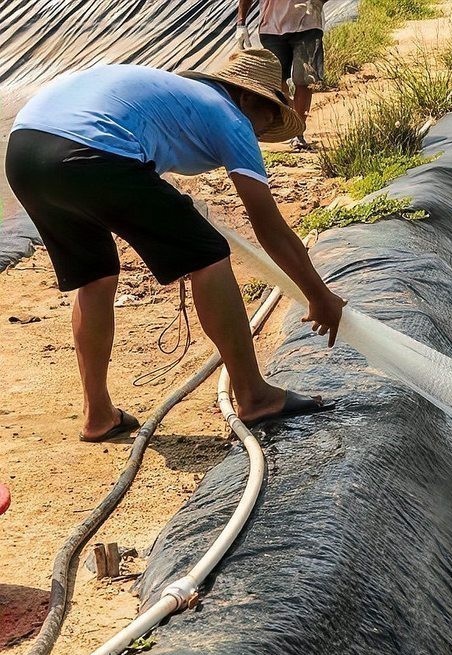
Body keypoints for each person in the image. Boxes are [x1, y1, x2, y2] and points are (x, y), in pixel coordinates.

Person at [4, 49, 346, 443]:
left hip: (25, 152)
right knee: (209, 255)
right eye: (266, 120)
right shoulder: (230, 116)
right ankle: (254, 396)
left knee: (96, 276)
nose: (258, 136)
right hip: (93, 152)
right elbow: (270, 229)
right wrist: (318, 296)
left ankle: (98, 415)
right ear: (247, 98)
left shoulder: (179, 96)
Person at [237, 0, 324, 149]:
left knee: (303, 79)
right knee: (276, 80)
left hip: (308, 25)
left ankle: (298, 132)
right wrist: (241, 23)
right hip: (272, 27)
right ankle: (286, 121)